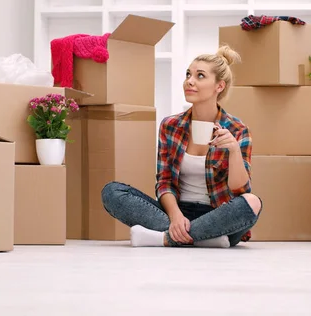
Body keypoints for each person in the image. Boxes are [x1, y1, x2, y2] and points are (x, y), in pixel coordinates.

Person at [100, 45, 263, 248]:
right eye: (188, 74)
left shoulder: (237, 130)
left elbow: (240, 189)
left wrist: (234, 150)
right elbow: (164, 181)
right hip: (174, 212)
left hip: (218, 213)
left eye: (200, 76)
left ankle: (164, 238)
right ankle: (205, 239)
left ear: (219, 86)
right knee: (112, 191)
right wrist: (176, 216)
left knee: (252, 201)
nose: (189, 81)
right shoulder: (171, 125)